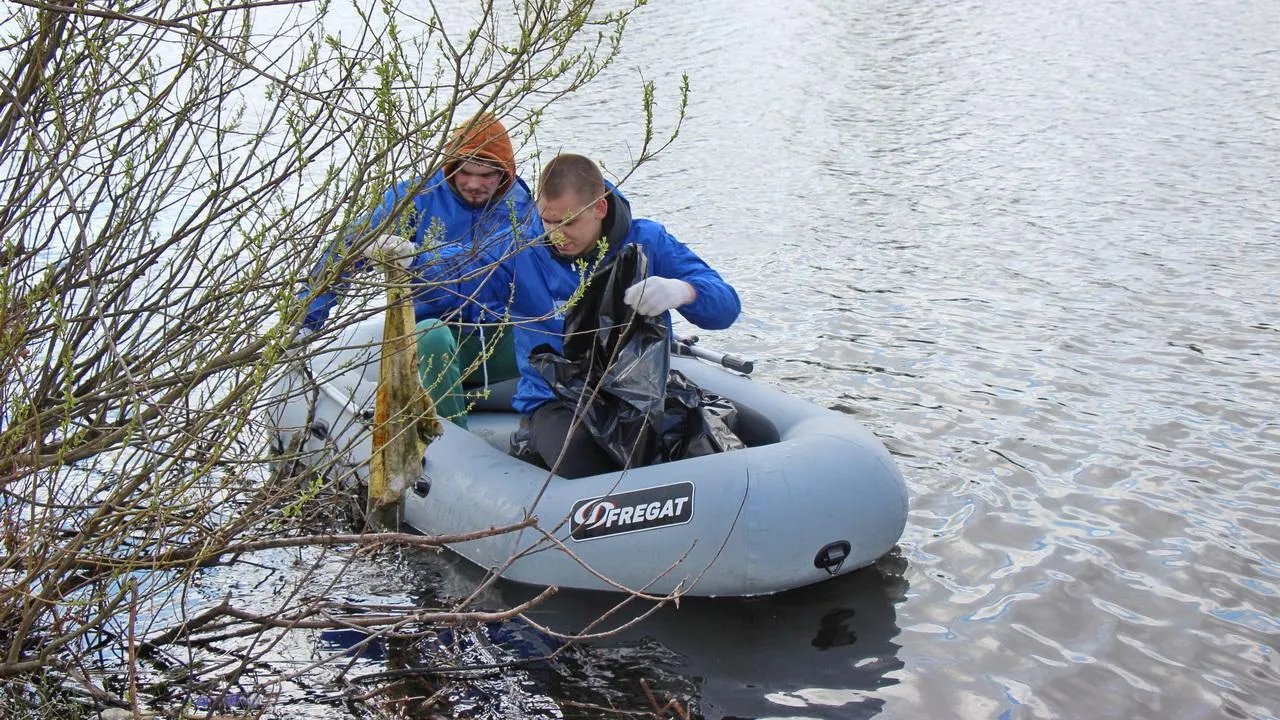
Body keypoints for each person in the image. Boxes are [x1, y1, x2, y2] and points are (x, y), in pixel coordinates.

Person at [297, 112, 536, 427]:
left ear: (505, 174)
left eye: (487, 175)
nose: (474, 184)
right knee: (431, 336)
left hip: (496, 333)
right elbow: (344, 253)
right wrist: (305, 321)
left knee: (558, 337)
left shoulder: (519, 210)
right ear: (450, 166)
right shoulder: (415, 199)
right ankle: (451, 447)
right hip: (431, 330)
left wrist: (416, 261)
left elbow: (479, 267)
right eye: (465, 172)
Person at [510, 153, 742, 477]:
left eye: (569, 222)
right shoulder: (519, 251)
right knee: (588, 461)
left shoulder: (648, 241)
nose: (555, 235)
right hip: (555, 399)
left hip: (640, 395)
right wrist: (416, 266)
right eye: (548, 221)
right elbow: (459, 274)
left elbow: (727, 307)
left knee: (756, 432)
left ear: (599, 209)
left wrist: (684, 291)